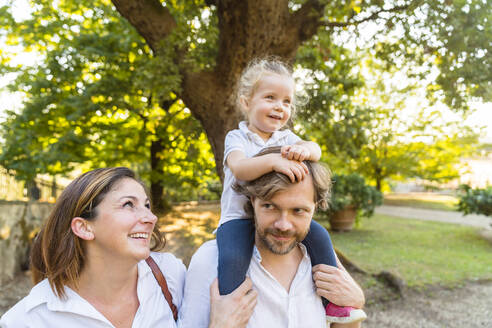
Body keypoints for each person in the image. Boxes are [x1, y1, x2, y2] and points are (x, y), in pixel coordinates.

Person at [0, 167, 256, 328]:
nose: (150, 217)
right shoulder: (27, 320)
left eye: (146, 205)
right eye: (128, 205)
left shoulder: (169, 276)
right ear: (84, 227)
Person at [215, 57, 365, 323]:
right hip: (239, 219)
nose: (279, 107)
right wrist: (273, 160)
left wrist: (305, 150)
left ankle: (334, 303)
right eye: (270, 97)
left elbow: (315, 150)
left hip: (277, 216)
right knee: (232, 258)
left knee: (320, 237)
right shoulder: (237, 137)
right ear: (246, 102)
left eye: (286, 101)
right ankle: (233, 310)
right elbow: (239, 168)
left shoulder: (287, 139)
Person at [180, 147, 366, 328]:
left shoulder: (323, 260)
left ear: (315, 207)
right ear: (253, 201)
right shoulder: (210, 260)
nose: (283, 225)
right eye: (270, 206)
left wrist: (355, 303)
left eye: (298, 211)